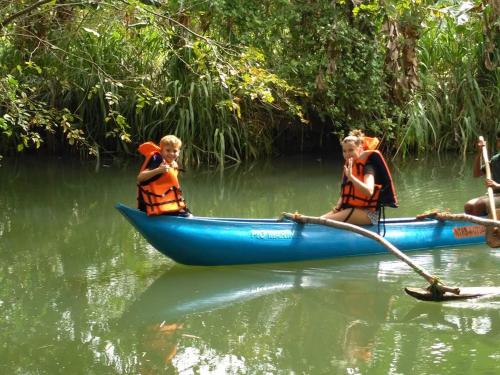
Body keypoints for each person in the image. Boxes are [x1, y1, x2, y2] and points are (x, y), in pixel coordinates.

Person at [321, 130, 398, 225]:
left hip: (370, 215)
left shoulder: (368, 166)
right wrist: (337, 208)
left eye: (351, 150)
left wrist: (352, 178)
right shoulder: (350, 166)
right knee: (320, 219)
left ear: (360, 148)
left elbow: (369, 191)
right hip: (351, 209)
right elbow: (344, 194)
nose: (347, 154)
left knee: (323, 221)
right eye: (344, 151)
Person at [137, 135, 190, 216]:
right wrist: (158, 170)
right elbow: (140, 178)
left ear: (179, 152)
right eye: (168, 150)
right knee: (186, 215)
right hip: (150, 206)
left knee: (187, 213)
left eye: (175, 151)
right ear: (161, 151)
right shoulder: (157, 160)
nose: (171, 153)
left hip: (166, 204)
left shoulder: (172, 163)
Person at [464, 133, 500, 216]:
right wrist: (479, 153)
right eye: (498, 141)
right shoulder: (496, 160)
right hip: (495, 194)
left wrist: (497, 185)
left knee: (478, 205)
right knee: (468, 206)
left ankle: (483, 227)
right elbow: (476, 174)